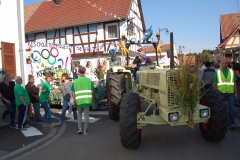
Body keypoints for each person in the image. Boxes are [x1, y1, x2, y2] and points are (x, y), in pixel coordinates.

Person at [213, 58, 238, 129]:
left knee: (232, 109)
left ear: (228, 64)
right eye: (223, 63)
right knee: (221, 109)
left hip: (230, 93)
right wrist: (215, 93)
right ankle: (221, 123)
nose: (225, 64)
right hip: (221, 93)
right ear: (220, 64)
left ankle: (231, 123)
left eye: (226, 63)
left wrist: (236, 93)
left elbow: (234, 82)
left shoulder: (231, 72)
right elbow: (215, 83)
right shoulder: (217, 72)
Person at [71, 66, 94, 135]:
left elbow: (73, 93)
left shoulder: (75, 81)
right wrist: (92, 99)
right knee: (86, 115)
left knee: (79, 114)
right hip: (87, 100)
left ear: (78, 72)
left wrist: (74, 101)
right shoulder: (88, 80)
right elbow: (92, 91)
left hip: (79, 101)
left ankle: (80, 129)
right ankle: (85, 130)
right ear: (84, 72)